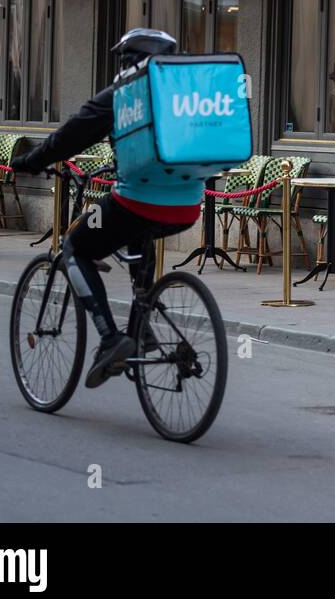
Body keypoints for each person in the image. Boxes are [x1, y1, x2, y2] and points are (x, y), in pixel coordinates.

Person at [13, 28, 201, 389]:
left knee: (74, 247)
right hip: (186, 206)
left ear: (131, 61)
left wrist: (32, 161)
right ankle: (142, 328)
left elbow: (69, 136)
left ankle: (111, 338)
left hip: (135, 202)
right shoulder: (185, 94)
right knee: (137, 235)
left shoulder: (123, 94)